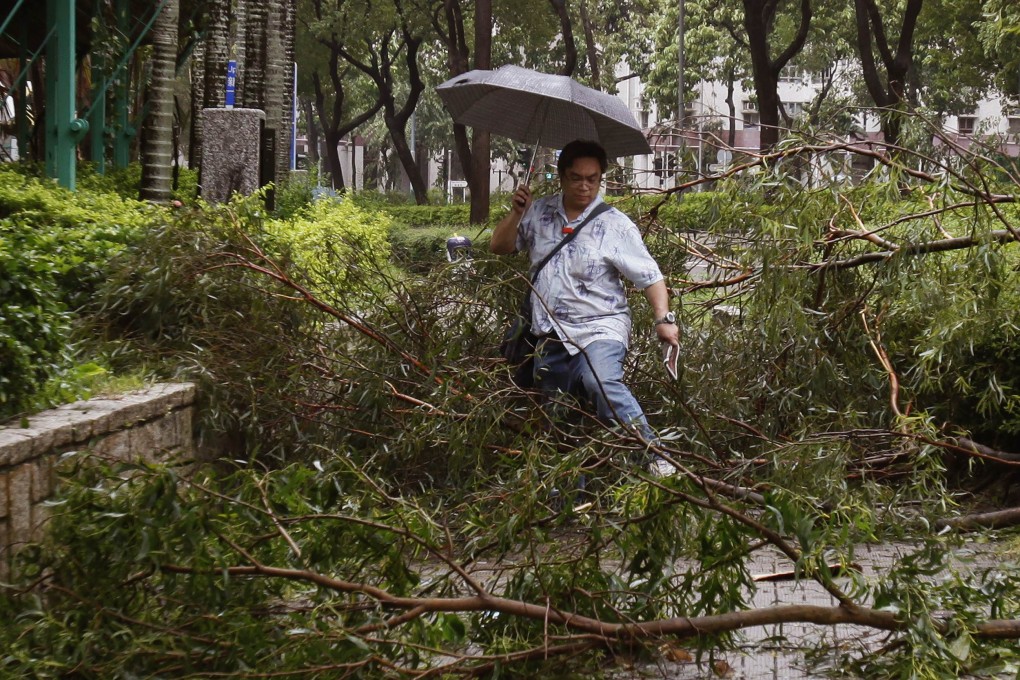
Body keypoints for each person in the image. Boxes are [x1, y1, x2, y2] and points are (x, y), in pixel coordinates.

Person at [490, 140, 680, 474]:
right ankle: (568, 496)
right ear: (562, 177)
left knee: (601, 384)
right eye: (577, 178)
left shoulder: (615, 224)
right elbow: (499, 246)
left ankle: (653, 457)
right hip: (548, 333)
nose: (585, 185)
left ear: (600, 178)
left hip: (600, 328)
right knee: (557, 417)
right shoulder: (539, 212)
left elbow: (651, 277)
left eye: (592, 178)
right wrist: (517, 212)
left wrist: (663, 318)